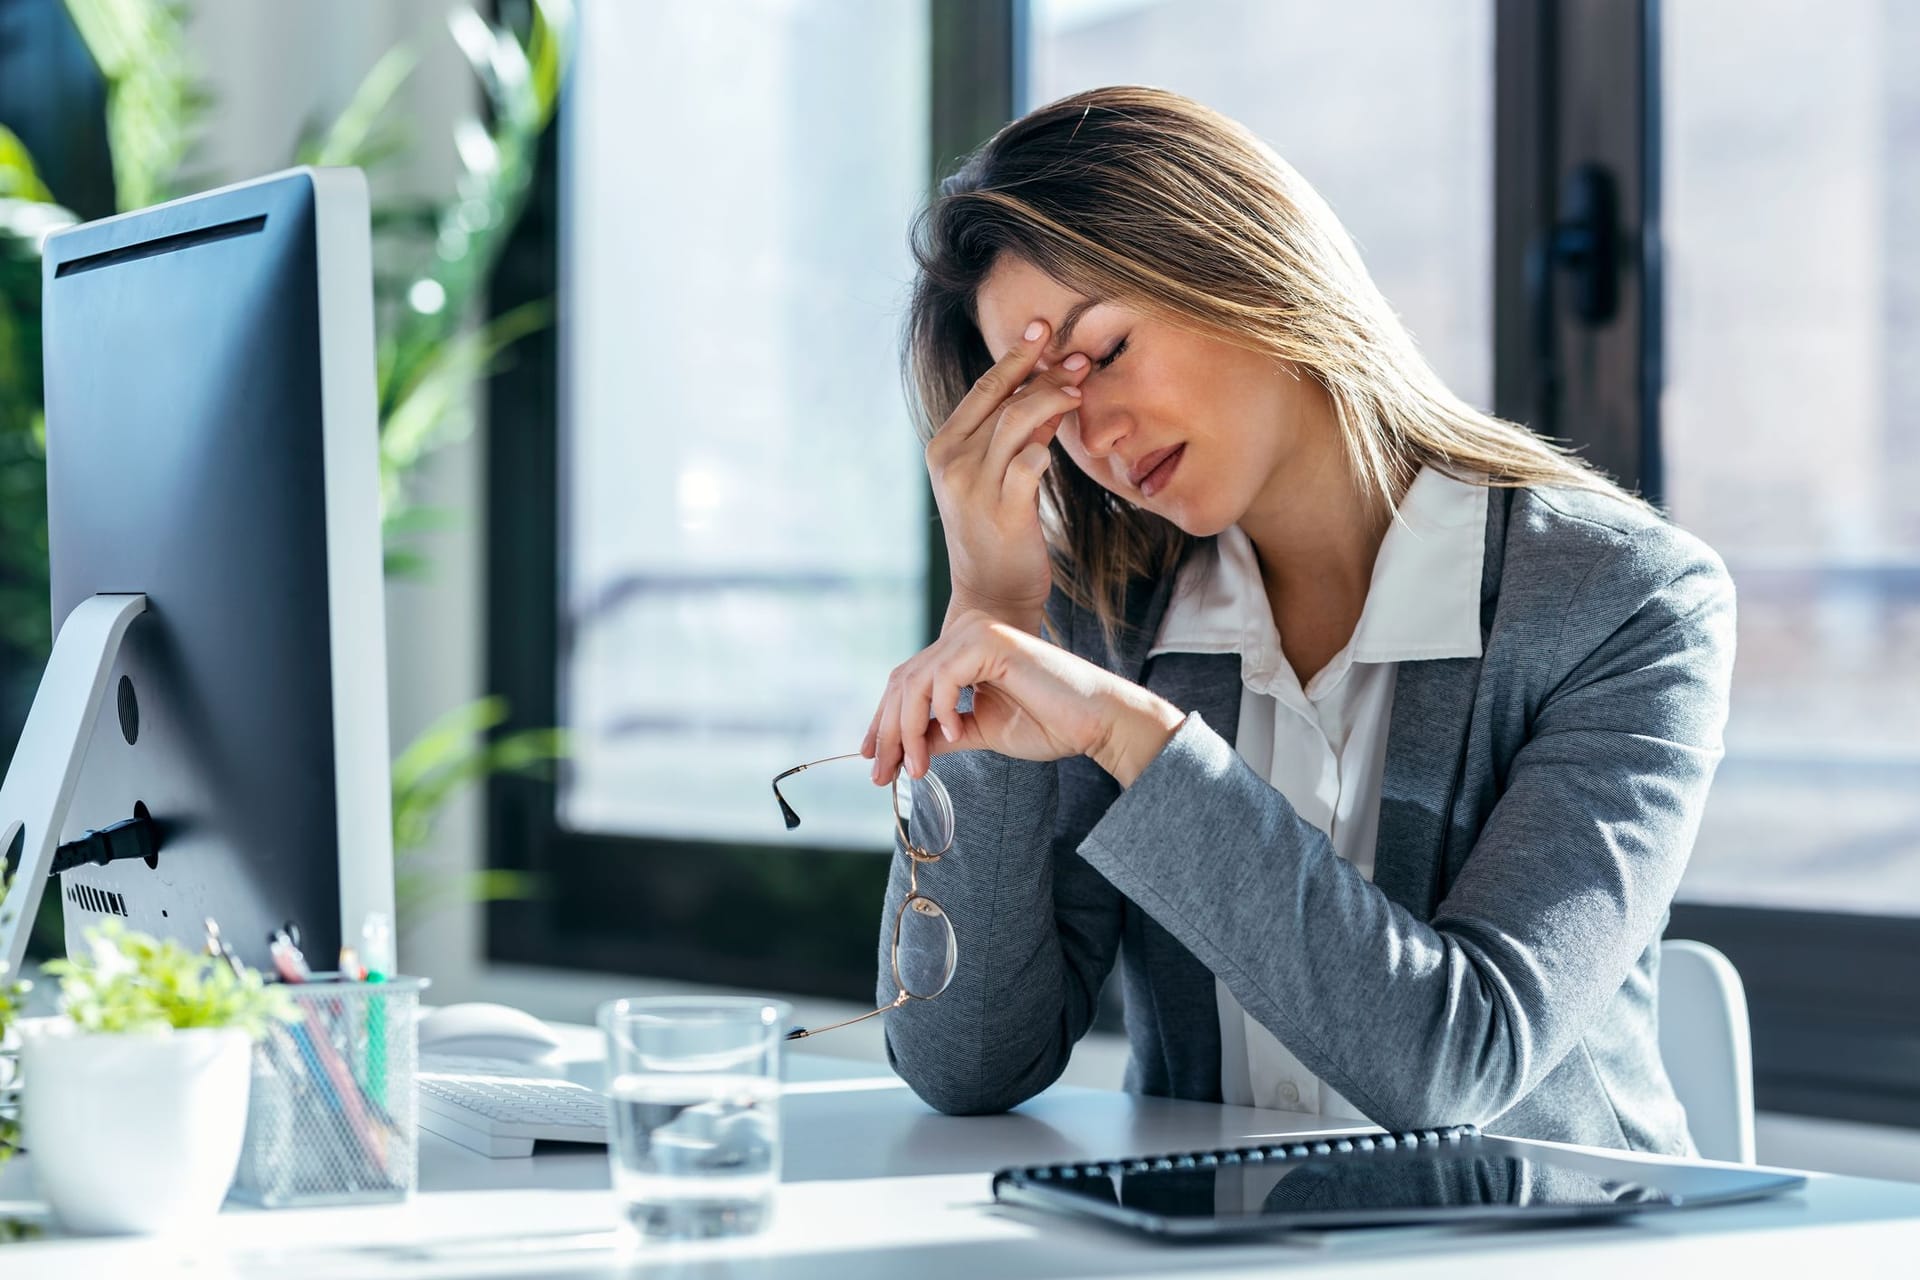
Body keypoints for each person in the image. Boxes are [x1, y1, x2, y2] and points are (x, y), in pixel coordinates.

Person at [860, 86, 1734, 1155]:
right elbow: (966, 1063)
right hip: (1218, 1244)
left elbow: (1456, 1060)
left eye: (1109, 349)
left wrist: (1137, 741)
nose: (1095, 431)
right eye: (1044, 400)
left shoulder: (1627, 603)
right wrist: (990, 614)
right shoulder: (1100, 620)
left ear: (1245, 266)